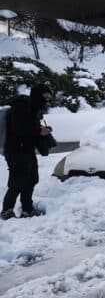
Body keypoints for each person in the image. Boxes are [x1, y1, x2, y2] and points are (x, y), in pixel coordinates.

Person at [2, 84, 54, 220]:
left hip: (27, 150)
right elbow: (19, 128)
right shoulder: (21, 106)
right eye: (46, 96)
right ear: (38, 94)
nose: (48, 99)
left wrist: (43, 131)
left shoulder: (33, 108)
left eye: (49, 96)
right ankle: (6, 211)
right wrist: (39, 131)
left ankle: (27, 209)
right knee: (17, 182)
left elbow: (29, 126)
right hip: (15, 150)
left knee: (31, 179)